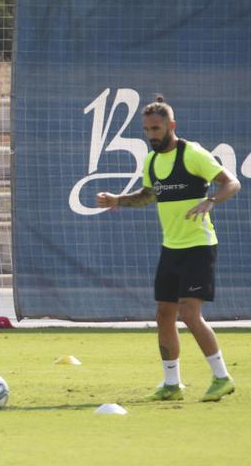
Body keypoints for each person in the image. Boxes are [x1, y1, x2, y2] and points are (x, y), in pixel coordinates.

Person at [96, 96, 240, 402]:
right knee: (164, 315)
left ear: (171, 126)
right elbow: (149, 194)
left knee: (189, 313)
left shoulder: (193, 154)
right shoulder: (151, 161)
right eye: (147, 129)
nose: (151, 135)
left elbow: (232, 183)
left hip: (199, 246)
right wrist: (118, 200)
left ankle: (222, 377)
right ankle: (172, 384)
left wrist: (211, 200)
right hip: (171, 248)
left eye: (157, 128)